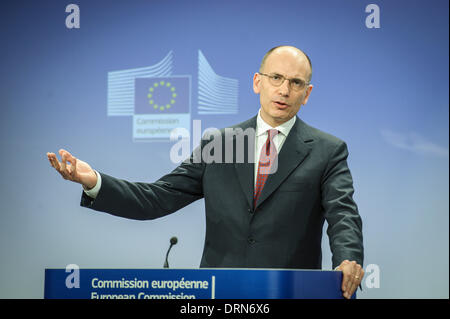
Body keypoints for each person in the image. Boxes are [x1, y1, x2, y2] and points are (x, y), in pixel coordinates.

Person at [47, 45, 364, 299]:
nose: (284, 90)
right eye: (276, 78)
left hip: (290, 292)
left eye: (295, 83)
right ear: (258, 82)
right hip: (217, 296)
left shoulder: (327, 150)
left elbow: (343, 215)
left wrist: (348, 258)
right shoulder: (221, 144)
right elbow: (158, 198)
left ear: (307, 93)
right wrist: (95, 182)